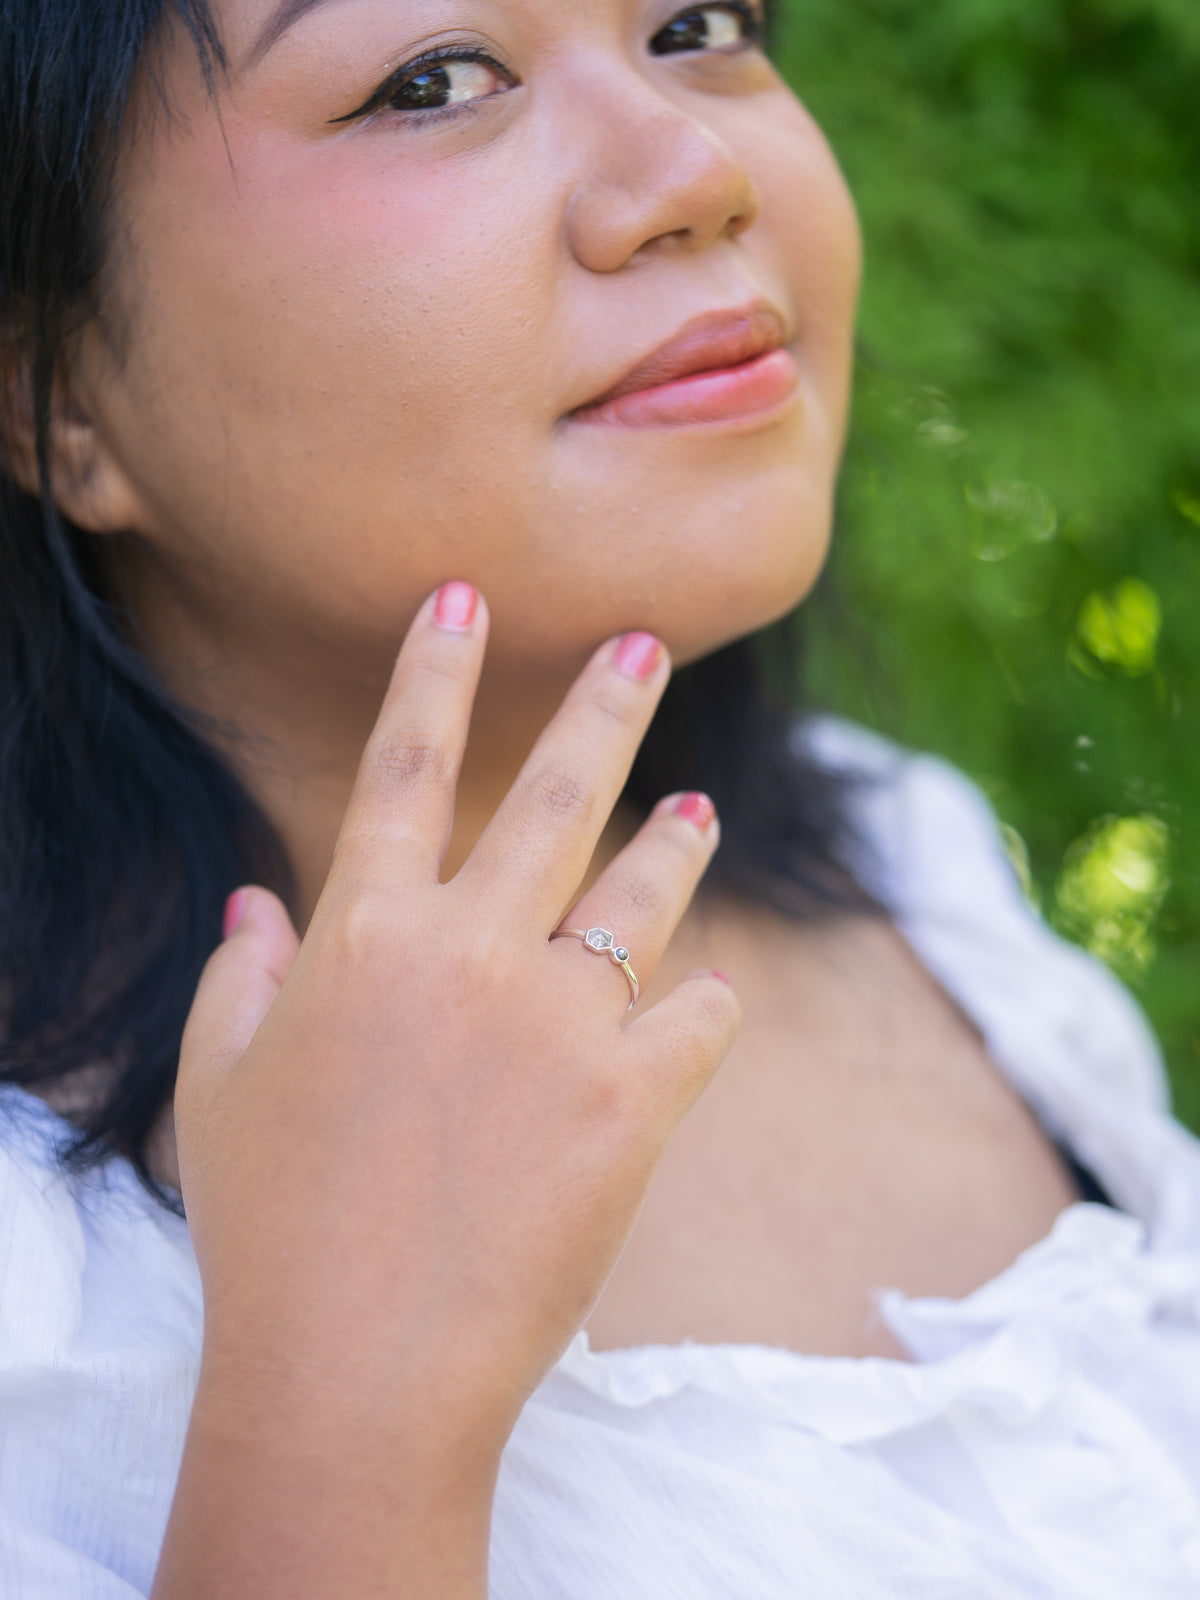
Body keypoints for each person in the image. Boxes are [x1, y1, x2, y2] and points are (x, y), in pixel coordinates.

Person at [0, 0, 1197, 1594]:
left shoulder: (914, 865)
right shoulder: (45, 1298)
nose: (693, 167)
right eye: (431, 80)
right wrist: (339, 1429)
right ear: (55, 391)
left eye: (699, 24)